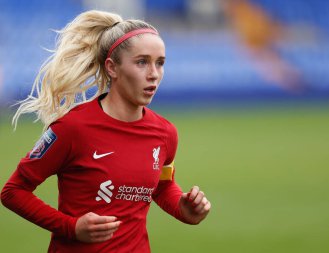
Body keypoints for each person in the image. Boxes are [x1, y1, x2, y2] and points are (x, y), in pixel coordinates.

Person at [1, 10, 211, 253]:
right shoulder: (72, 129)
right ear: (112, 68)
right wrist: (70, 227)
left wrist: (182, 207)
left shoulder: (165, 133)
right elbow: (13, 191)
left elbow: (163, 186)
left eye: (160, 63)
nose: (154, 74)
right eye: (142, 62)